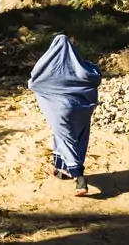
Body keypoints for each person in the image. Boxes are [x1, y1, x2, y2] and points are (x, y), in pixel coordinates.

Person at [28, 34, 102, 196]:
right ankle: (60, 169)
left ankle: (79, 177)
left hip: (60, 109)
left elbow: (33, 82)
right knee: (78, 137)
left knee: (65, 138)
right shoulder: (81, 66)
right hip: (82, 109)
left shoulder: (47, 66)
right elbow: (96, 76)